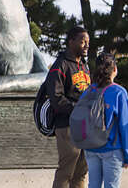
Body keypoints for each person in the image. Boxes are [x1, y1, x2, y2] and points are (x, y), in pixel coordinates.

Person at [42, 26, 92, 188]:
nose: (86, 45)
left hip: (86, 126)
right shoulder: (60, 66)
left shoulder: (84, 66)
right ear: (71, 42)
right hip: (67, 126)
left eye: (88, 42)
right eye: (82, 41)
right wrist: (79, 109)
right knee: (67, 171)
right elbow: (56, 99)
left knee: (81, 172)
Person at [82, 52, 128, 188]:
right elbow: (126, 125)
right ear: (115, 70)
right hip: (112, 148)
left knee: (93, 185)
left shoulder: (88, 91)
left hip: (91, 148)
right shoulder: (118, 92)